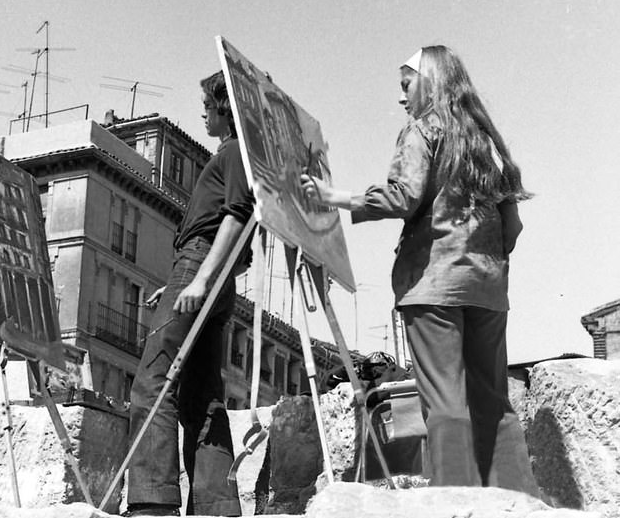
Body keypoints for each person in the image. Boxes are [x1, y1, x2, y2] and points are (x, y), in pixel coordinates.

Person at [300, 46, 538, 494]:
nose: (402, 97)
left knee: (445, 401)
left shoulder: (422, 130)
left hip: (433, 285)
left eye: (406, 85)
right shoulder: (485, 140)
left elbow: (403, 196)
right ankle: (519, 502)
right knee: (494, 402)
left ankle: (452, 500)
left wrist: (335, 198)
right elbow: (514, 225)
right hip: (487, 287)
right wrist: (482, 259)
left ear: (429, 84)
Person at [125, 70, 254, 517]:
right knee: (203, 397)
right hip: (211, 273)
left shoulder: (234, 151)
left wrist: (197, 277)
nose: (202, 112)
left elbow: (238, 219)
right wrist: (193, 278)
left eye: (207, 105)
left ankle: (151, 502)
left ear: (224, 107)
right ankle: (217, 508)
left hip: (201, 266)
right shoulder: (243, 155)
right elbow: (239, 246)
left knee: (153, 383)